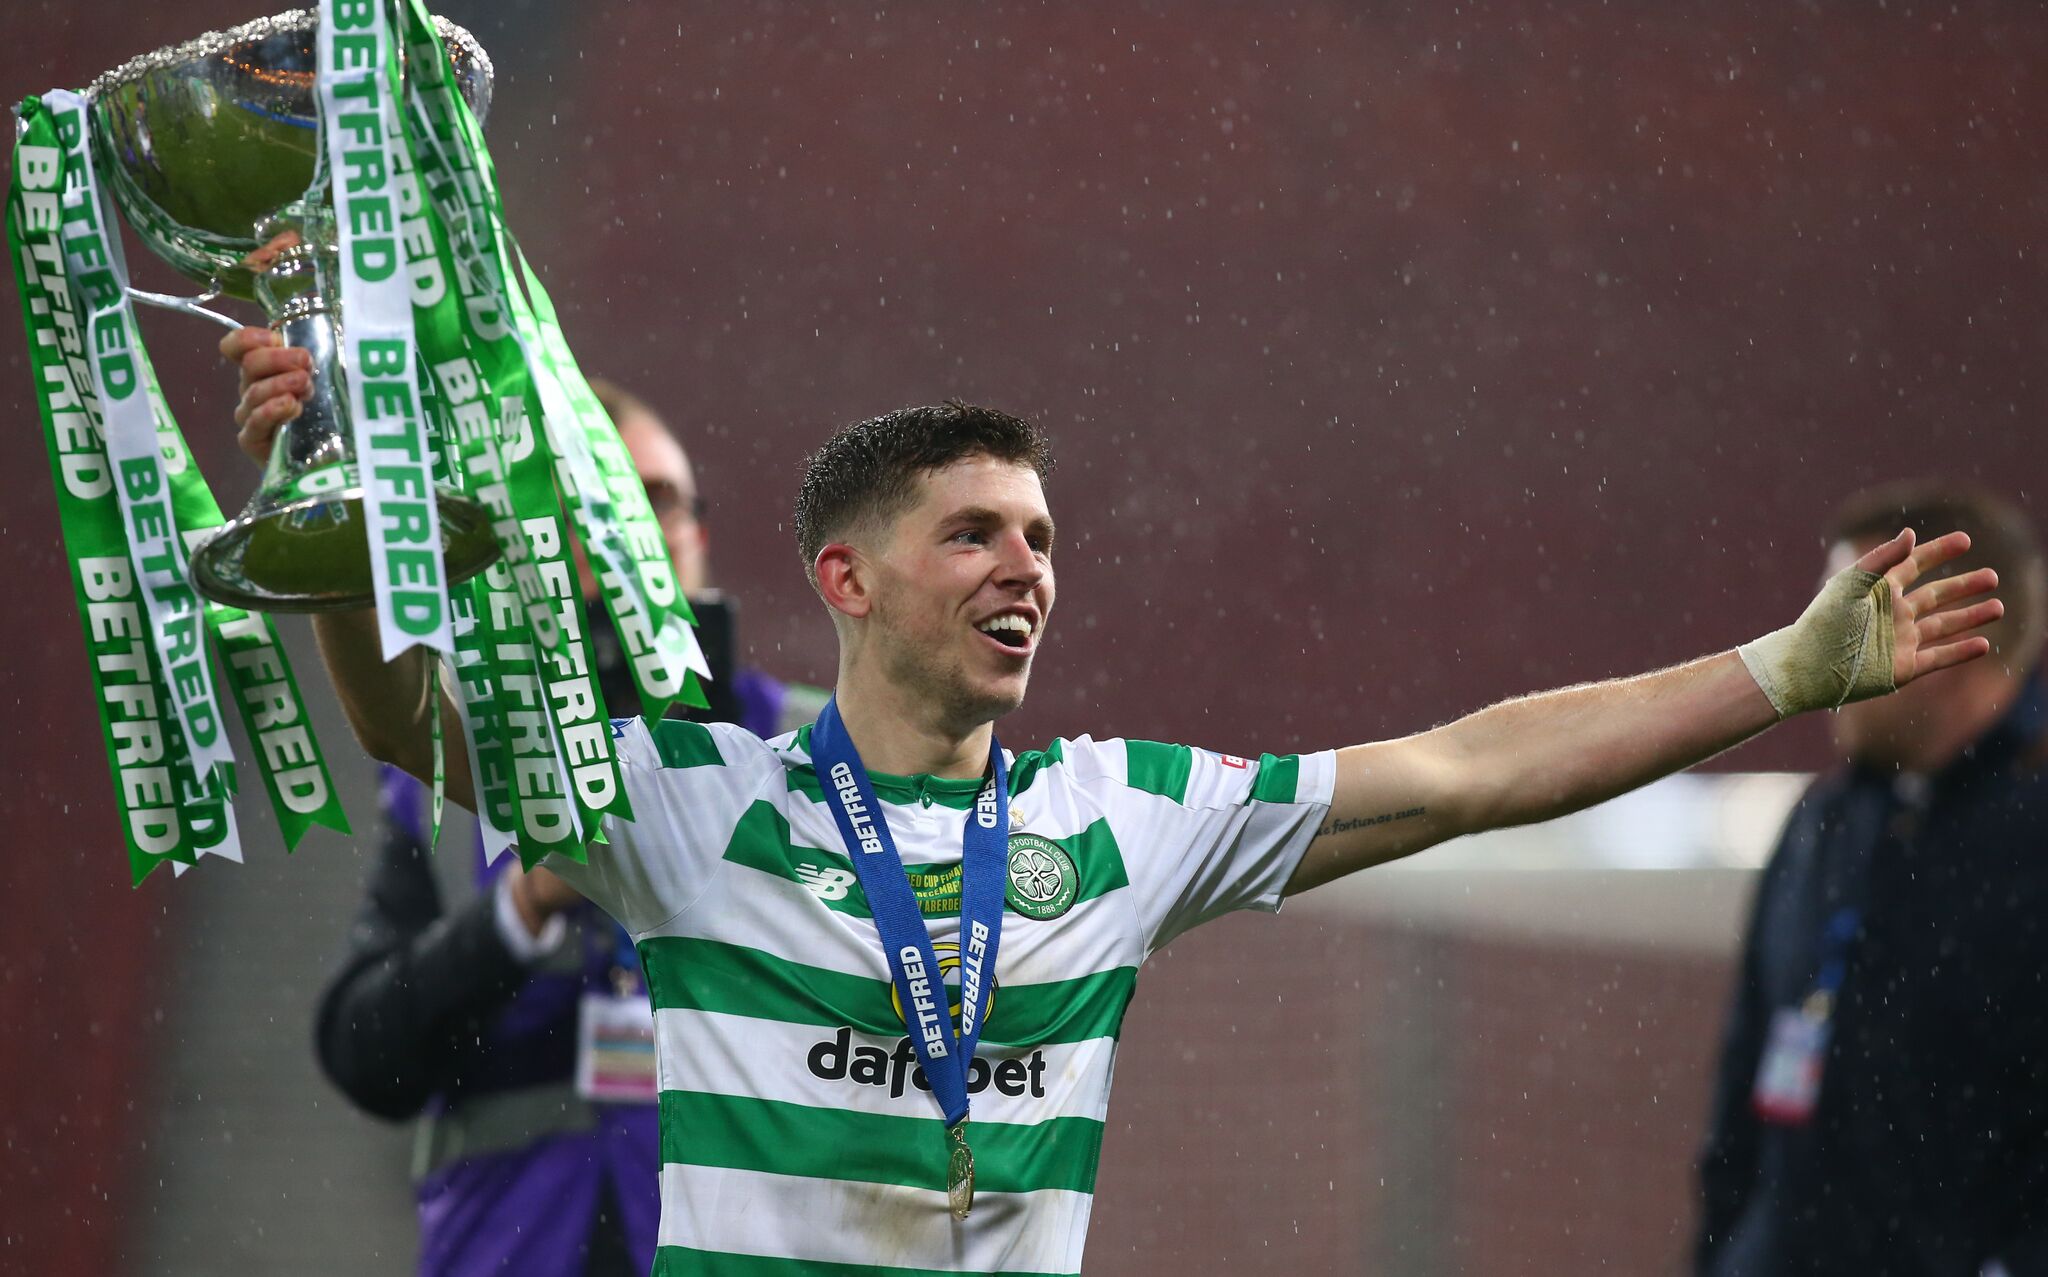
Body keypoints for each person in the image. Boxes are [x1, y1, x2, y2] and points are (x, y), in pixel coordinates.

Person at [227, 325, 2001, 1276]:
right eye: (976, 533)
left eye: (1045, 537)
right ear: (842, 579)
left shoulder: (1126, 813)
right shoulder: (698, 797)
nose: (1028, 570)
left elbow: (1472, 769)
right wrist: (321, 534)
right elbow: (417, 723)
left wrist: (1778, 668)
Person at [307, 374, 823, 1277]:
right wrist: (525, 900)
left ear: (700, 529)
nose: (643, 531)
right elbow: (366, 1055)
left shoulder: (812, 753)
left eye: (661, 500)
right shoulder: (452, 765)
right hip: (510, 1244)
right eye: (605, 504)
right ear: (543, 546)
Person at [1694, 483, 2048, 1277]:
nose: (1815, 659)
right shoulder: (1821, 828)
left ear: (1962, 630)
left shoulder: (2033, 838)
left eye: (1845, 626)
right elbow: (1740, 1119)